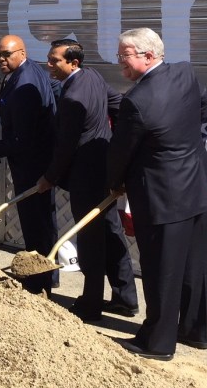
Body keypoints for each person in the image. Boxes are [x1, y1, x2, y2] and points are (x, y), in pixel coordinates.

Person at [107, 27, 207, 361]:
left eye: (124, 55)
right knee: (193, 267)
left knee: (161, 271)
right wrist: (194, 140)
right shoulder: (186, 72)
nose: (119, 62)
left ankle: (158, 341)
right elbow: (205, 107)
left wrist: (114, 183)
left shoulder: (136, 102)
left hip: (161, 199)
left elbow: (120, 153)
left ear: (148, 55)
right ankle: (194, 332)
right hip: (196, 189)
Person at [36, 39, 138, 321]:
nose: (49, 64)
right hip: (104, 169)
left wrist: (49, 178)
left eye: (54, 60)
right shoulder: (92, 75)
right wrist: (113, 143)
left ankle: (90, 305)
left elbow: (66, 146)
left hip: (85, 176)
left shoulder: (72, 99)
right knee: (110, 232)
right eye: (49, 58)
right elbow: (119, 105)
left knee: (91, 239)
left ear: (73, 63)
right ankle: (125, 298)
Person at [0, 34, 57, 295]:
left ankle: (38, 283)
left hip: (32, 163)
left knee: (35, 223)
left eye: (7, 54)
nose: (1, 59)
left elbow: (21, 138)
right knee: (42, 221)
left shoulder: (25, 82)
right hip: (37, 160)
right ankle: (46, 276)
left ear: (21, 53)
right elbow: (10, 107)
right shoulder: (29, 70)